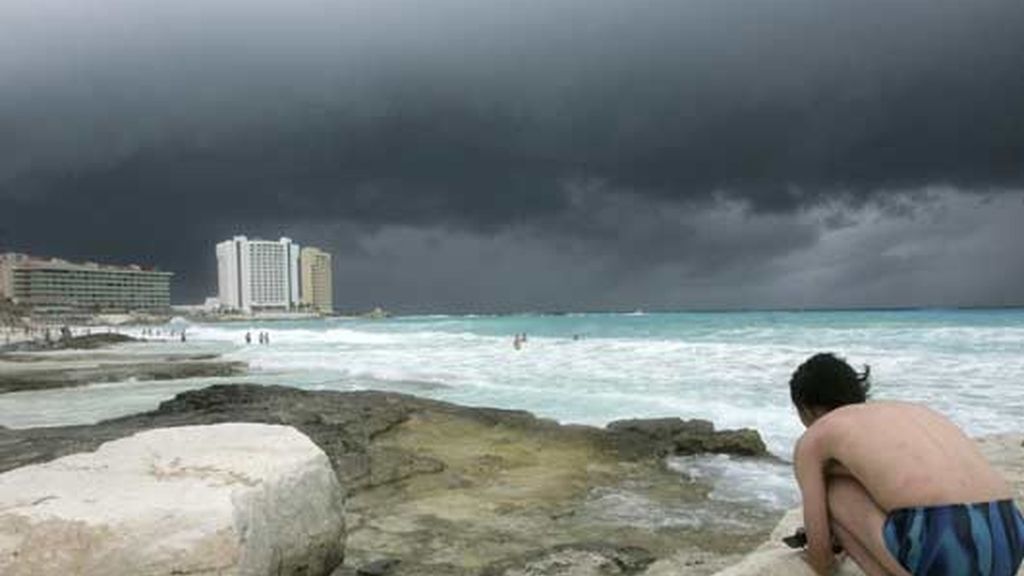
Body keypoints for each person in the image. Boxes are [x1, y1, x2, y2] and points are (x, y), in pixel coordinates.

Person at [789, 353, 1024, 576]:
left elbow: (820, 555)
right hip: (1010, 536)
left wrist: (821, 556)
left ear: (806, 408)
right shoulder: (914, 411)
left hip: (943, 542)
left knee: (834, 489)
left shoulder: (817, 435)